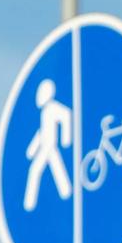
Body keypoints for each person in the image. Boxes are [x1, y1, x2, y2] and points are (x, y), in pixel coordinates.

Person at [23, 78, 73, 211]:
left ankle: (29, 204)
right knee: (55, 168)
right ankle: (66, 192)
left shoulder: (54, 107)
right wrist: (32, 149)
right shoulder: (45, 112)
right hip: (46, 146)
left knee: (35, 170)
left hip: (50, 145)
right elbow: (42, 131)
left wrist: (66, 139)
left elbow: (67, 115)